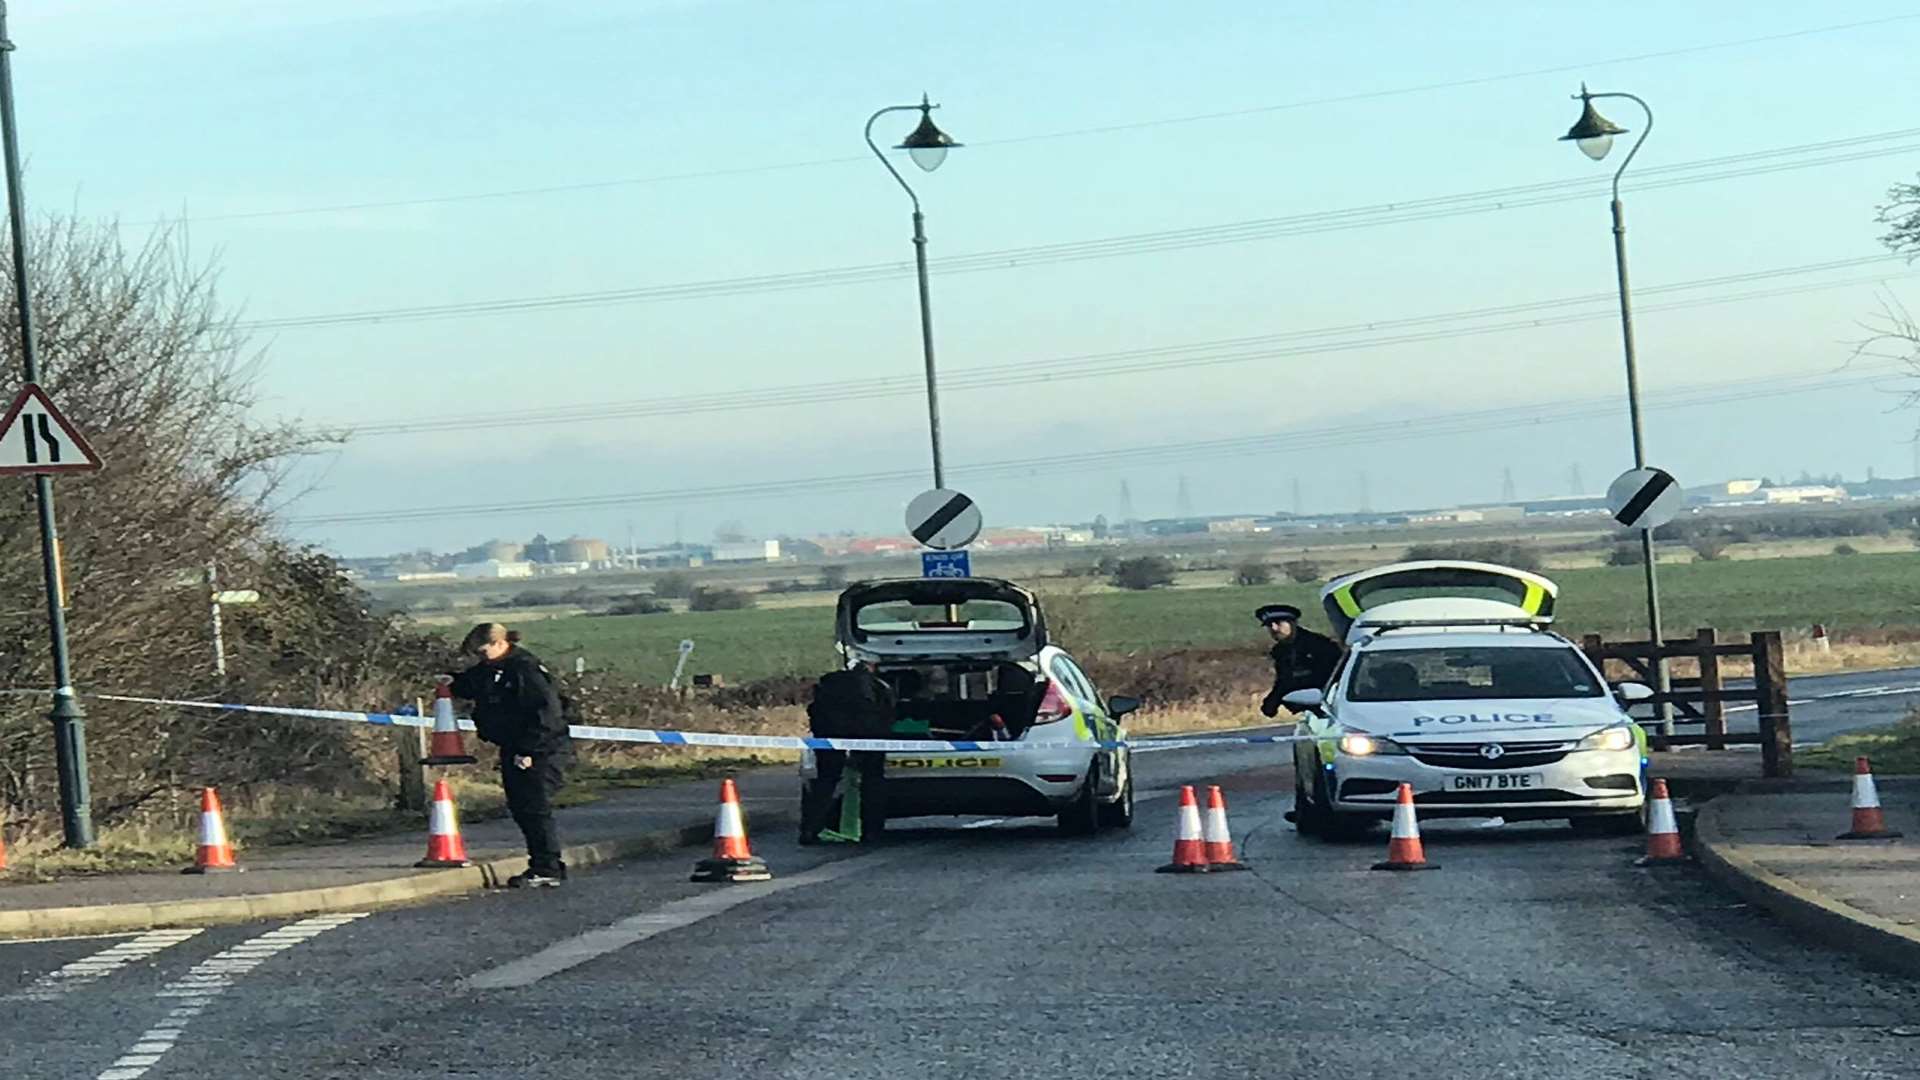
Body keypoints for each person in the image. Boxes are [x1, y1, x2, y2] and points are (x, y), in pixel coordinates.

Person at [448, 623, 573, 888]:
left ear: (499, 644)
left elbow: (547, 714)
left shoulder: (524, 669)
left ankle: (546, 867)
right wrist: (452, 683)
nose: (480, 658)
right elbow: (475, 684)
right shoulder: (495, 668)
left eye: (482, 652)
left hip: (539, 749)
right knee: (522, 808)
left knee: (534, 808)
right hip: (515, 746)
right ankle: (545, 864)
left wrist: (529, 750)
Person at [801, 657, 895, 844]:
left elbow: (813, 711)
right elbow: (889, 714)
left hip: (830, 736)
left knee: (825, 781)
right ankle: (872, 831)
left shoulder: (829, 685)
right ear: (871, 668)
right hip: (868, 736)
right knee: (872, 780)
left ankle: (811, 830)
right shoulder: (879, 686)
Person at [1256, 603, 1343, 718]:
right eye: (1269, 625)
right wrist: (1272, 702)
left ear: (1293, 623)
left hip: (1329, 708)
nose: (1274, 628)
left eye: (1278, 623)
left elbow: (1334, 678)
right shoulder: (1280, 651)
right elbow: (1284, 680)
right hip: (1303, 710)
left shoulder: (1319, 645)